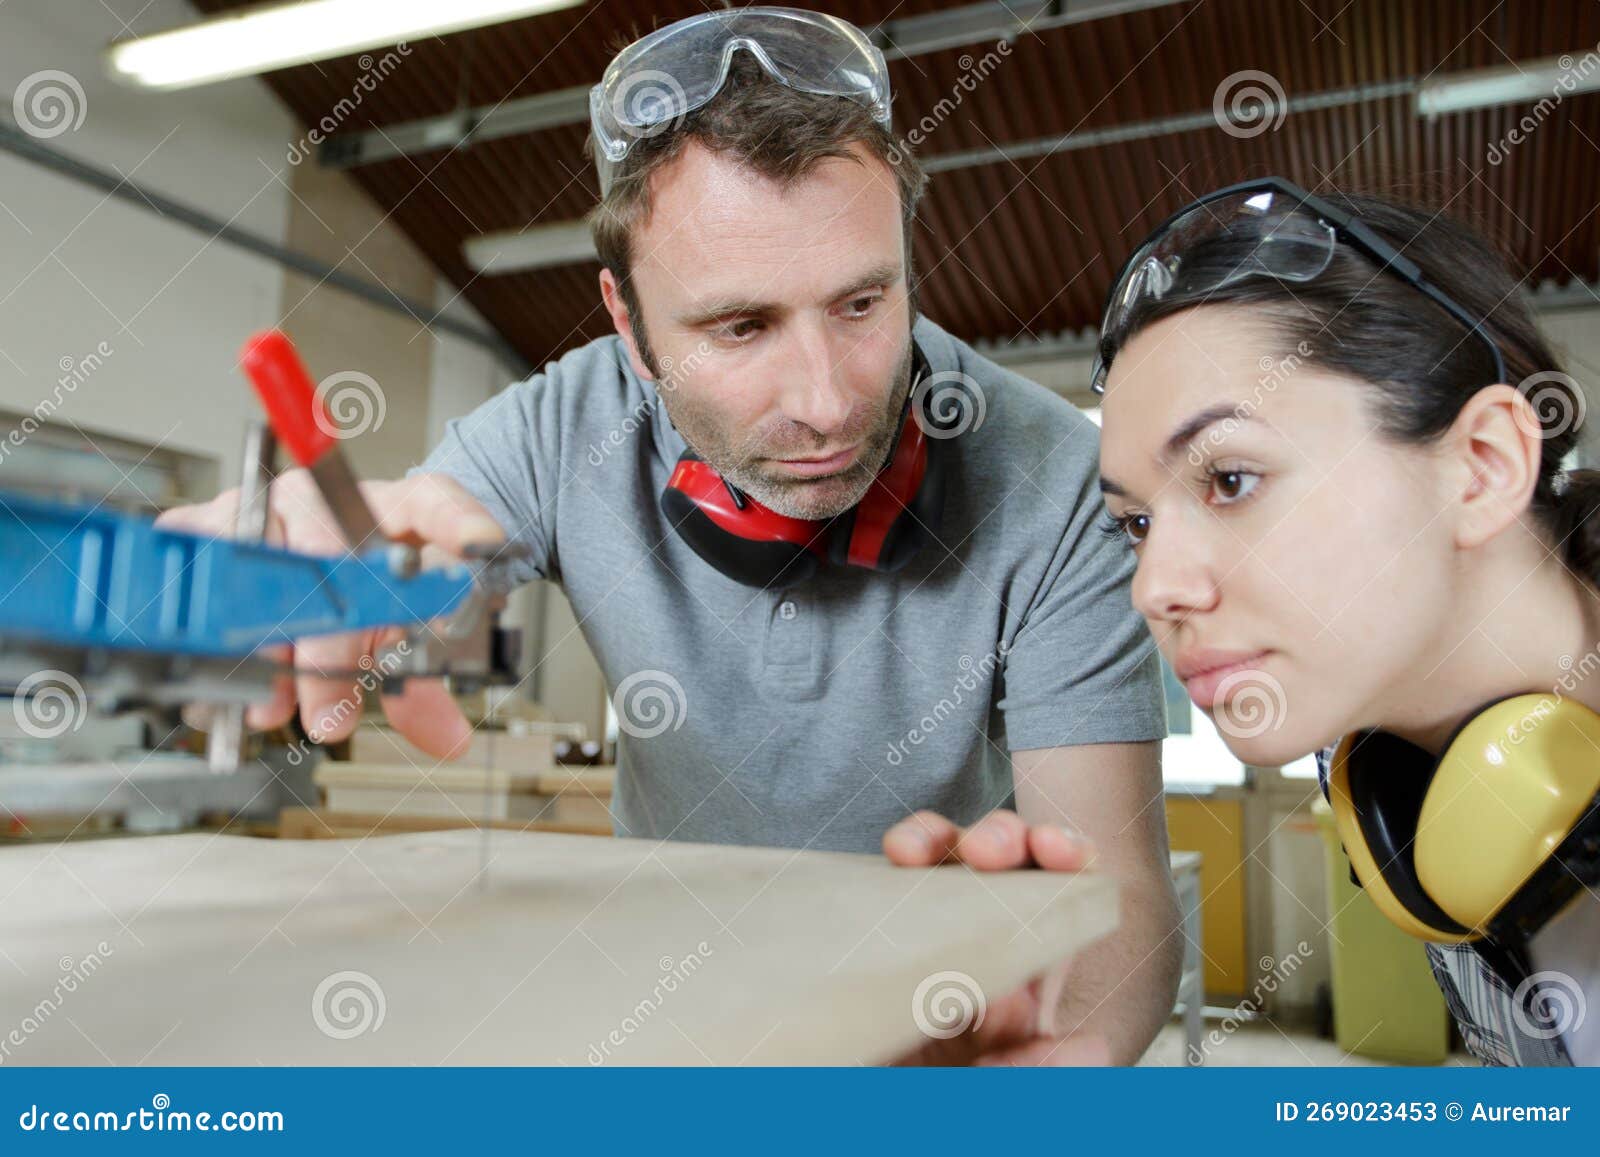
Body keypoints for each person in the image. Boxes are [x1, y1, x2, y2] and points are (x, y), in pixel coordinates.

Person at [161, 8, 1180, 1065]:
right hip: (666, 1002)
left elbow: (1116, 889)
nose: (827, 400)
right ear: (628, 323)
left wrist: (1061, 1063)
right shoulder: (565, 426)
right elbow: (430, 550)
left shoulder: (1056, 475)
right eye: (740, 326)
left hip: (934, 1002)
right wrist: (360, 580)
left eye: (863, 303)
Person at [1092, 176, 1600, 1065]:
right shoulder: (1407, 786)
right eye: (1136, 523)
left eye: (1230, 480)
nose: (1154, 587)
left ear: (1481, 466)